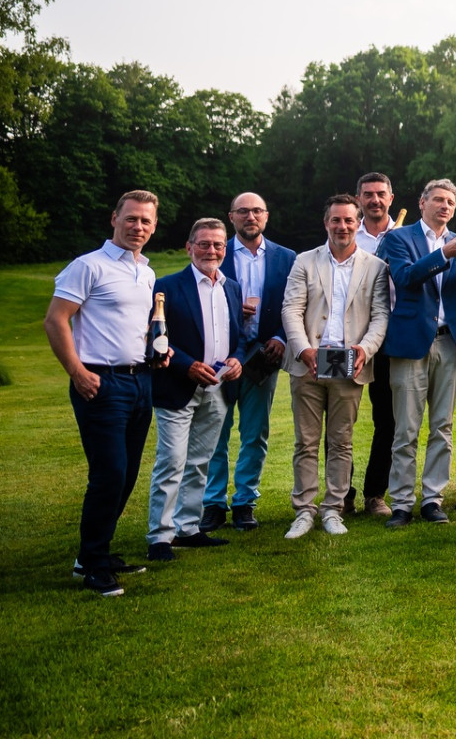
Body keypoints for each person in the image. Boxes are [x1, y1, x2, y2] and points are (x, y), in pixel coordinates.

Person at [44, 190, 161, 597]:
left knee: (126, 474)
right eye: (131, 218)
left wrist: (157, 353)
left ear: (154, 226)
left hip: (140, 382)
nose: (138, 227)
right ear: (115, 218)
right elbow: (55, 320)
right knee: (109, 473)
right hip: (100, 383)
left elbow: (138, 327)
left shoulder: (146, 272)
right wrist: (77, 372)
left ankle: (94, 553)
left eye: (146, 221)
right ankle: (92, 564)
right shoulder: (87, 266)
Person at [281, 194, 392, 538]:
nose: (342, 226)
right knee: (306, 442)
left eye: (348, 220)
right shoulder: (304, 261)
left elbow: (380, 316)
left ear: (358, 223)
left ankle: (333, 508)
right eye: (336, 220)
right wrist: (303, 350)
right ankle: (304, 510)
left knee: (341, 442)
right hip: (308, 365)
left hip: (349, 367)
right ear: (326, 223)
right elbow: (291, 309)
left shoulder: (375, 266)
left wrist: (364, 350)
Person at [376, 178, 456, 528]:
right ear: (422, 203)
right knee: (406, 429)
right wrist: (444, 255)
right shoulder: (399, 238)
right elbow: (404, 277)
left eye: (450, 202)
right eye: (438, 199)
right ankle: (402, 503)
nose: (445, 206)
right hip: (409, 342)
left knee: (442, 427)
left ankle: (433, 499)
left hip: (450, 342)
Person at [145, 218, 243, 563]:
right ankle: (160, 536)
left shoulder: (232, 288)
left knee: (200, 462)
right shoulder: (166, 286)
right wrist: (186, 364)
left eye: (218, 244)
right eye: (203, 244)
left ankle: (187, 528)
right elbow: (155, 337)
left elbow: (239, 336)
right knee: (171, 461)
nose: (211, 250)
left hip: (218, 388)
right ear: (189, 247)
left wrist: (238, 358)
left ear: (225, 249)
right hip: (177, 386)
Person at [205, 191, 295, 532]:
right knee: (216, 433)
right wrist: (231, 309)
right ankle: (213, 503)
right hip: (220, 356)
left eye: (257, 211)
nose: (250, 217)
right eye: (243, 211)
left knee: (255, 433)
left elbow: (296, 304)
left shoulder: (287, 258)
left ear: (266, 216)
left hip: (263, 357)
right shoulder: (216, 252)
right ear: (231, 217)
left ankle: (245, 501)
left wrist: (282, 338)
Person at [351, 171, 398, 515]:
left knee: (388, 420)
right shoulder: (346, 234)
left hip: (391, 339)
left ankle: (374, 493)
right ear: (359, 199)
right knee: (342, 420)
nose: (375, 200)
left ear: (391, 198)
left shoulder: (405, 235)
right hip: (351, 340)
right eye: (368, 194)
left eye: (381, 194)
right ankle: (342, 493)